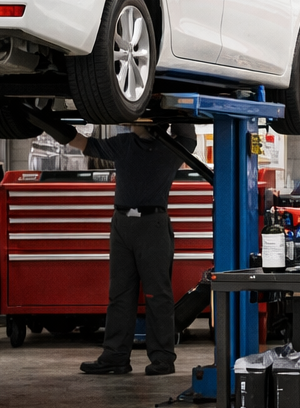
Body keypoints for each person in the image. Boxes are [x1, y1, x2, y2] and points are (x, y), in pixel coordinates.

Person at [41, 120, 197, 376]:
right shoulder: (124, 143)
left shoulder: (169, 147)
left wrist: (170, 110)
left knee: (158, 296)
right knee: (120, 294)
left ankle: (162, 359)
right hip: (122, 224)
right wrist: (46, 124)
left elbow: (187, 132)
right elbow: (83, 143)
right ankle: (115, 357)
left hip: (152, 226)